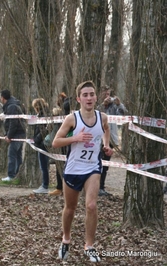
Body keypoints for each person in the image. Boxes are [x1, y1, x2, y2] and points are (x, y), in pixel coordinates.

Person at [52, 80, 113, 262]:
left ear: (96, 97)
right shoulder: (72, 119)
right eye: (85, 95)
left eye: (91, 94)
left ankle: (89, 245)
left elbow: (106, 129)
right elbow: (55, 142)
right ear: (79, 99)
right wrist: (75, 137)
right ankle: (66, 239)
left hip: (92, 167)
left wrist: (106, 144)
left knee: (91, 206)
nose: (89, 98)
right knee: (70, 208)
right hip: (73, 168)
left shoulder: (102, 117)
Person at [97, 85, 127, 196]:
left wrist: (119, 104)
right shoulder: (96, 105)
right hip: (98, 139)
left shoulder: (114, 106)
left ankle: (101, 187)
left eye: (108, 94)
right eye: (105, 94)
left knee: (105, 165)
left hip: (111, 140)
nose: (107, 96)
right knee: (97, 164)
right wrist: (103, 105)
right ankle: (94, 187)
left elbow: (124, 115)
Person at [0, 89, 26, 182]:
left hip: (17, 134)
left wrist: (9, 136)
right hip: (20, 133)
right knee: (18, 155)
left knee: (12, 154)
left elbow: (13, 123)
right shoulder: (14, 104)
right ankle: (18, 173)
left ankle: (11, 175)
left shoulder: (12, 106)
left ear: (2, 97)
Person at [49, 92, 71, 196]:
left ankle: (61, 187)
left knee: (62, 164)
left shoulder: (67, 110)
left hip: (67, 141)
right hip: (64, 140)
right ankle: (60, 187)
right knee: (60, 163)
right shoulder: (61, 113)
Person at [32, 98, 51, 194]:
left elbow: (44, 130)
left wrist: (37, 139)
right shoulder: (43, 114)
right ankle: (44, 184)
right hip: (42, 142)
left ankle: (45, 185)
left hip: (43, 143)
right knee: (44, 165)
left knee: (43, 165)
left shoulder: (43, 116)